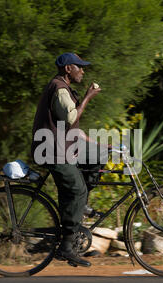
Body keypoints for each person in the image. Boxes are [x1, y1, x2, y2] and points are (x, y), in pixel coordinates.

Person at [31, 53, 107, 267]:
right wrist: (88, 97)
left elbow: (75, 130)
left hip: (62, 147)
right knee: (77, 189)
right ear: (68, 69)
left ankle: (79, 207)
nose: (83, 71)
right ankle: (66, 247)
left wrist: (103, 146)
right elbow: (72, 117)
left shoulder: (64, 88)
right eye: (79, 67)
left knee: (97, 156)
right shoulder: (59, 88)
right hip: (52, 151)